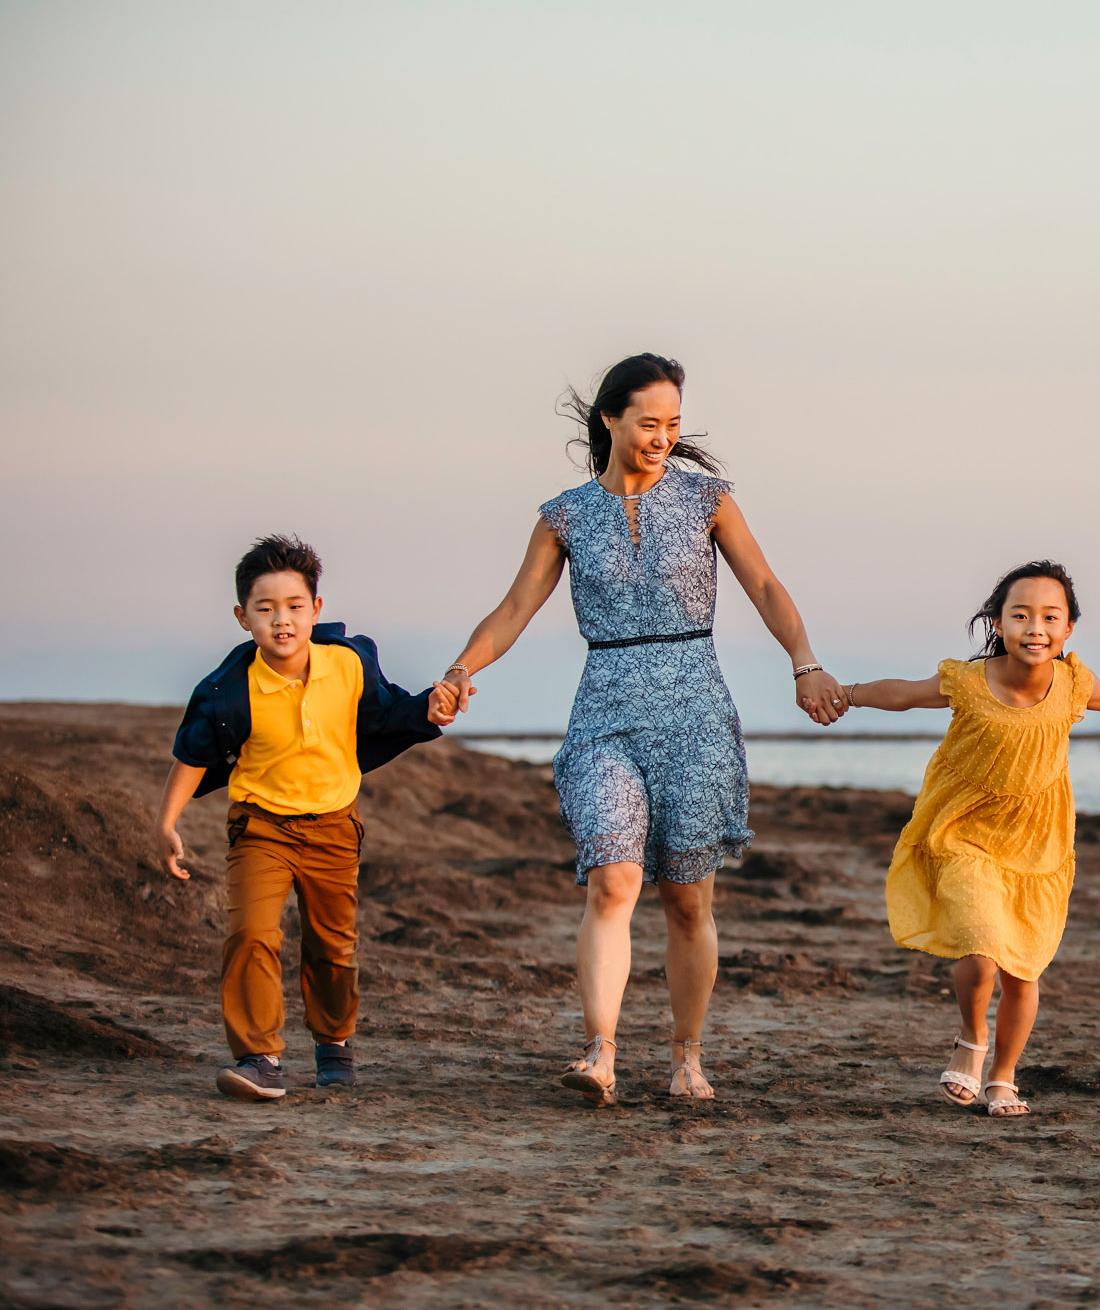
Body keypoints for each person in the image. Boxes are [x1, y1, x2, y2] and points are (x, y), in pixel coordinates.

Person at [430, 353, 845, 1104]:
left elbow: (764, 584)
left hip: (695, 709)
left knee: (688, 899)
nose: (662, 437)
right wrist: (461, 669)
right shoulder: (564, 515)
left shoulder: (708, 499)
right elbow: (515, 607)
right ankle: (601, 1051)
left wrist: (804, 662)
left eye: (673, 424)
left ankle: (687, 1056)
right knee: (612, 879)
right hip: (606, 712)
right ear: (609, 418)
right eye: (648, 422)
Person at [836, 561, 1100, 1117]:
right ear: (999, 624)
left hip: (1037, 845)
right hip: (963, 832)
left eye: (1050, 617)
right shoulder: (968, 679)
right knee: (980, 944)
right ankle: (970, 1038)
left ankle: (1003, 1077)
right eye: (1022, 615)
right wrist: (848, 693)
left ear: (1068, 629)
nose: (1036, 627)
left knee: (1022, 968)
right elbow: (905, 694)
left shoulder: (1073, 684)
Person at [156, 535, 441, 1101]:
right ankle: (259, 1058)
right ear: (243, 618)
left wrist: (432, 704)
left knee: (333, 945)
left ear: (316, 608)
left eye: (293, 606)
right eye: (264, 610)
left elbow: (387, 714)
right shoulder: (228, 692)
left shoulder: (350, 662)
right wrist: (166, 823)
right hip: (260, 827)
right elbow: (191, 756)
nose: (280, 621)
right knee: (252, 934)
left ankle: (334, 1043)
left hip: (334, 827)